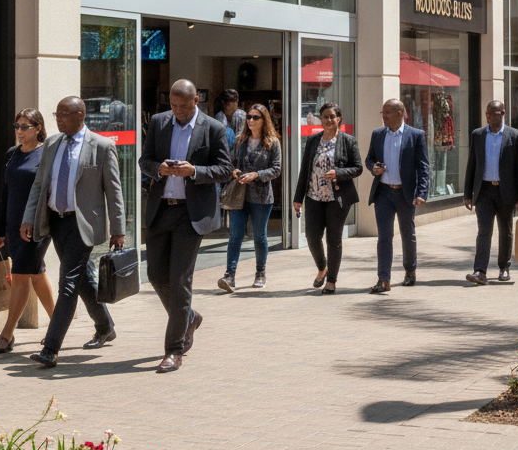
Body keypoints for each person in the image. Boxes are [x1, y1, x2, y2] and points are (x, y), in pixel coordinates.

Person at [20, 97, 125, 368]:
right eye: (57, 113)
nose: (59, 119)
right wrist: (29, 218)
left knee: (67, 283)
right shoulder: (52, 144)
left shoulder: (101, 146)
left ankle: (51, 348)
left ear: (80, 115)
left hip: (83, 224)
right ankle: (105, 326)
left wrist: (118, 229)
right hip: (56, 222)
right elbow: (39, 185)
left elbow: (114, 191)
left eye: (64, 114)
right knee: (81, 280)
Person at [140, 79, 233, 373]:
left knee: (180, 279)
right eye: (173, 105)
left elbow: (225, 169)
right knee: (156, 275)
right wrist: (158, 169)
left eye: (183, 106)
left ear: (196, 101)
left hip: (190, 214)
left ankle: (174, 349)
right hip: (160, 210)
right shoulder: (159, 122)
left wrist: (195, 171)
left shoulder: (213, 128)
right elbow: (144, 160)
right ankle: (189, 317)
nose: (177, 111)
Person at [0, 109, 56, 353]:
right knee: (36, 274)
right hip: (13, 224)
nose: (19, 131)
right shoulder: (12, 154)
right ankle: (58, 325)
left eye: (25, 127)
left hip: (37, 226)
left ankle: (6, 335)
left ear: (38, 128)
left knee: (19, 275)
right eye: (17, 126)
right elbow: (5, 194)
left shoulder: (46, 153)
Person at [292, 102, 362, 294]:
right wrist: (298, 198)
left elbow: (358, 168)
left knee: (333, 239)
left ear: (339, 118)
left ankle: (331, 281)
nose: (329, 120)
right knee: (312, 236)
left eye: (332, 116)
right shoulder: (313, 141)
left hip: (337, 199)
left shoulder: (348, 141)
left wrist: (338, 173)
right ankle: (322, 267)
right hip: (313, 196)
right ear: (320, 119)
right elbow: (305, 170)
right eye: (325, 117)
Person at [365, 98, 430, 293]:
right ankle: (383, 279)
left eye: (387, 112)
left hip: (405, 193)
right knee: (384, 236)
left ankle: (410, 271)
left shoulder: (416, 135)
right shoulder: (377, 134)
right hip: (383, 193)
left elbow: (423, 167)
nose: (383, 116)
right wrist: (374, 167)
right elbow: (369, 159)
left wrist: (421, 192)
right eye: (382, 112)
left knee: (407, 234)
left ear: (400, 113)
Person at [463, 100, 518, 285]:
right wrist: (468, 193)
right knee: (484, 231)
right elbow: (472, 164)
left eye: (496, 113)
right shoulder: (478, 134)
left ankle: (504, 266)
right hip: (484, 191)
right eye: (489, 113)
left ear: (503, 114)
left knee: (505, 231)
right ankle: (480, 271)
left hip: (506, 191)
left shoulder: (515, 136)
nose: (492, 116)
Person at [218, 103, 282, 292]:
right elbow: (229, 163)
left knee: (259, 236)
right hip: (239, 195)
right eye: (249, 117)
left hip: (261, 197)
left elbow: (276, 169)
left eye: (255, 117)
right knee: (235, 236)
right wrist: (234, 172)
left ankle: (260, 272)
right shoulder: (240, 140)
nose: (251, 120)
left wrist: (256, 175)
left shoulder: (272, 142)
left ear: (264, 120)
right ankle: (230, 275)